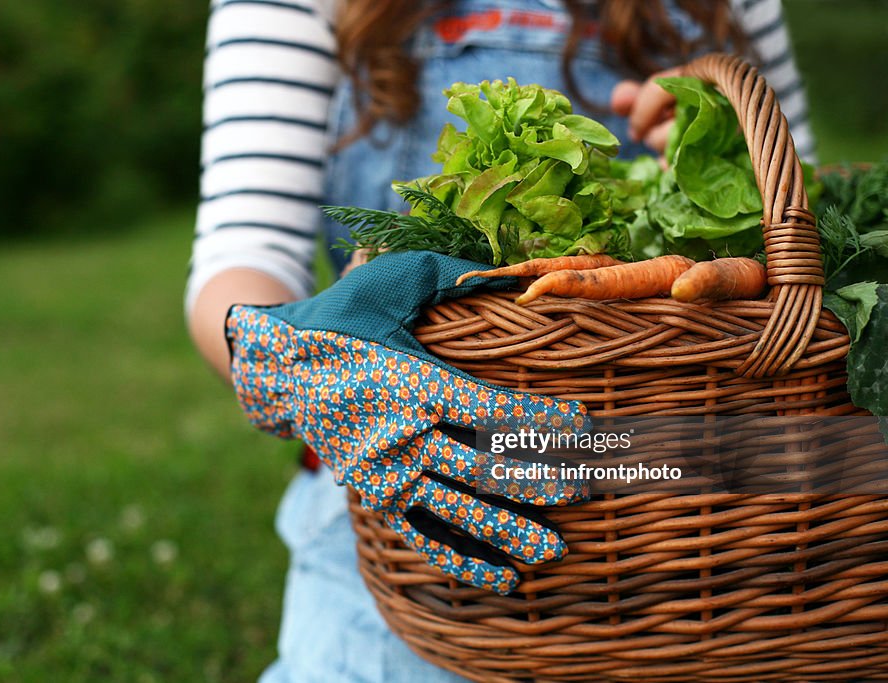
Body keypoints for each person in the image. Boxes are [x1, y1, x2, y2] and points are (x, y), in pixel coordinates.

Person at [186, 1, 816, 680]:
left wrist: (713, 147)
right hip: (409, 500)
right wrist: (294, 360)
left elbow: (803, 221)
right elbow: (243, 254)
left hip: (697, 514)